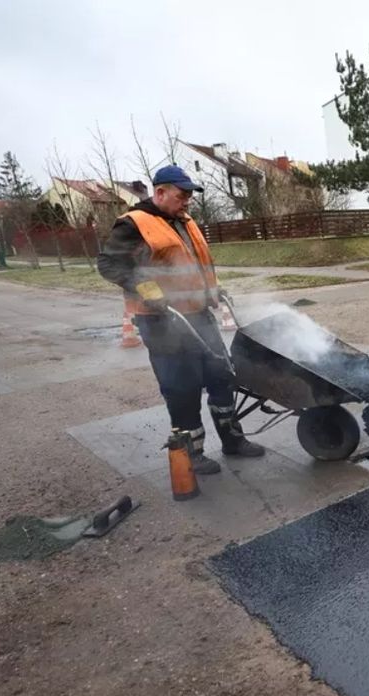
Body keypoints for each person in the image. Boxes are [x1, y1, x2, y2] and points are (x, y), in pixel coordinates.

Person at [98, 165, 264, 474]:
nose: (187, 201)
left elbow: (193, 266)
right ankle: (192, 453)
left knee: (221, 374)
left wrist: (212, 289)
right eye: (182, 195)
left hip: (197, 313)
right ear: (160, 192)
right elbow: (108, 264)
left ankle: (233, 440)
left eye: (189, 196)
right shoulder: (134, 224)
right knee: (181, 386)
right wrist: (145, 288)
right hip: (162, 321)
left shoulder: (183, 221)